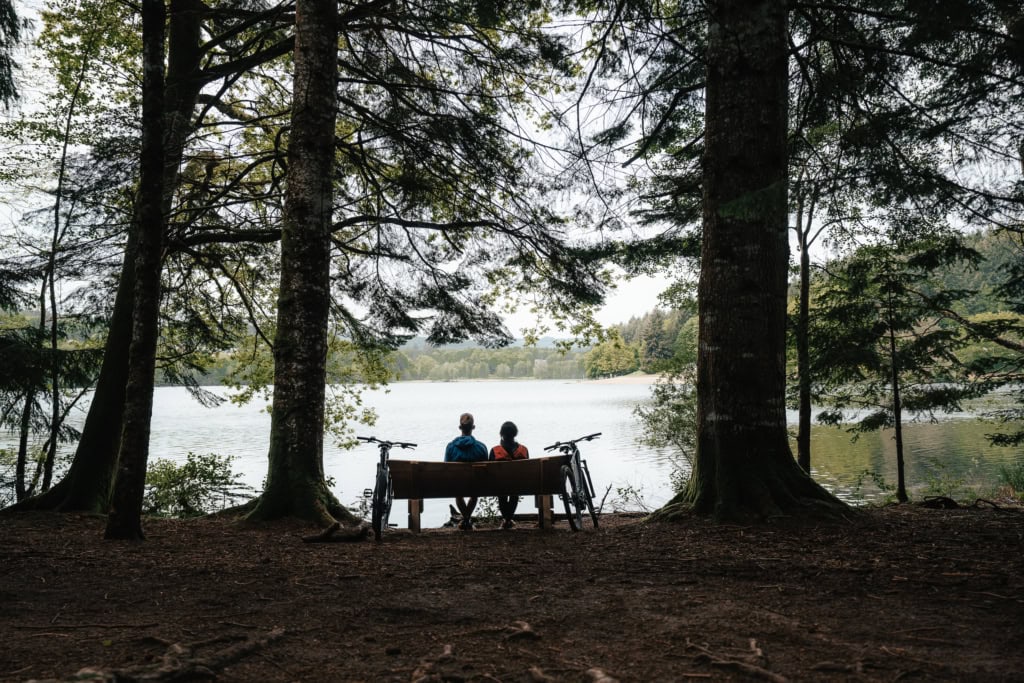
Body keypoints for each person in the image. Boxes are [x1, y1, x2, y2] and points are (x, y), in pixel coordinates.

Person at [444, 412, 488, 530]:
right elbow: (486, 469)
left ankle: (466, 520)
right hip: (476, 485)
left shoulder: (450, 447)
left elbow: (446, 468)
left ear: (460, 428)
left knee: (458, 494)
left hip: (457, 485)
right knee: (474, 494)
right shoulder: (481, 447)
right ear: (473, 427)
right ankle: (467, 520)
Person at [489, 420, 529, 530]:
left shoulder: (495, 451)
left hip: (500, 485)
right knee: (514, 491)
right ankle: (508, 519)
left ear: (501, 434)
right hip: (518, 485)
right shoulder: (524, 450)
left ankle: (506, 519)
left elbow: (490, 472)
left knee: (502, 491)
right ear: (515, 434)